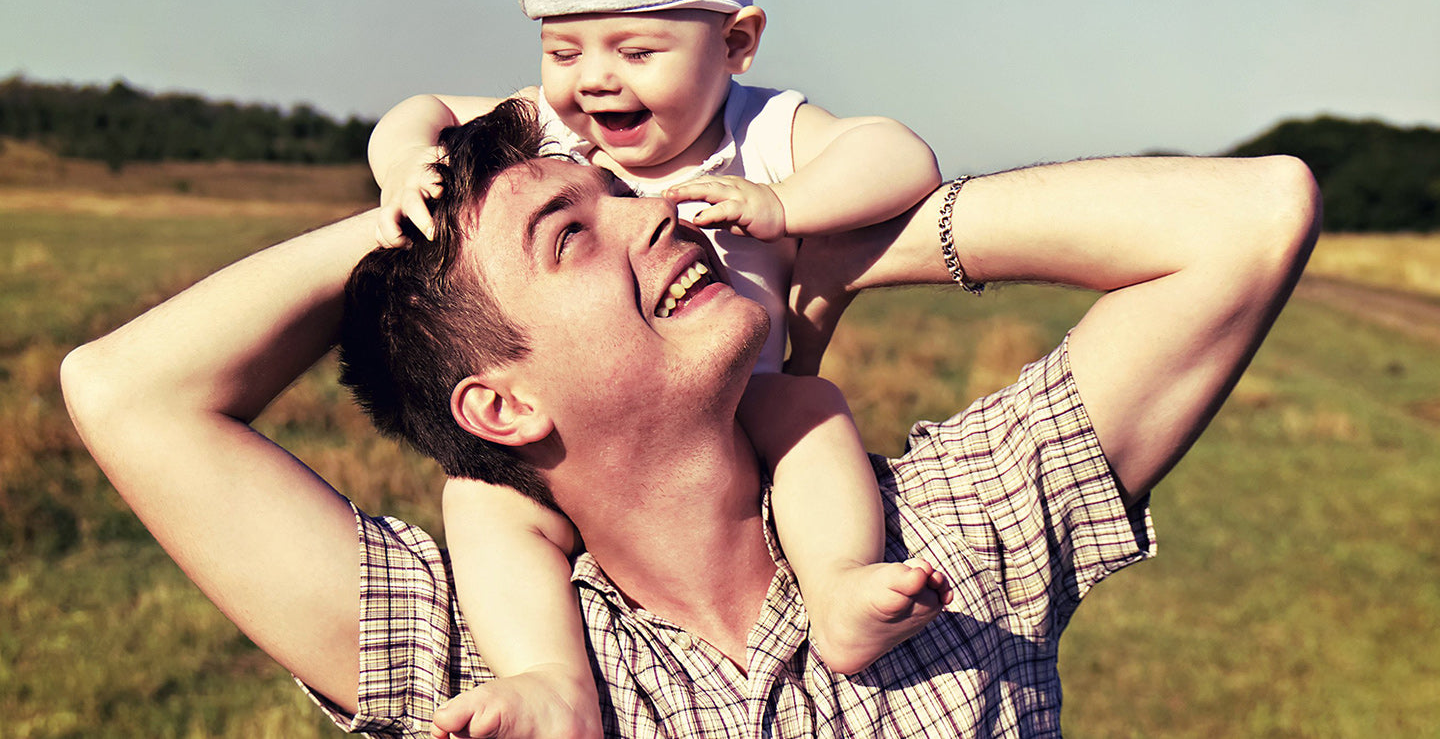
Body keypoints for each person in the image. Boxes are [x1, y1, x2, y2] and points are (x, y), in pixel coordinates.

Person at [61, 97, 1320, 738]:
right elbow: (126, 393)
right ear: (499, 401)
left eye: (618, 189)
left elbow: (1251, 217)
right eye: (573, 231)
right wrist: (407, 219)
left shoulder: (942, 531)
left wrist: (833, 248)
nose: (653, 211)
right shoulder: (494, 662)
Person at [366, 0, 944, 734]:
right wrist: (407, 162)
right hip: (595, 439)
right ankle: (551, 682)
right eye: (565, 49)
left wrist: (784, 202)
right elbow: (421, 111)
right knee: (481, 498)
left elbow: (900, 156)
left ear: (737, 43)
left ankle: (834, 588)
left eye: (636, 49)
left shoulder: (766, 129)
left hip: (742, 401)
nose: (594, 77)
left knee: (809, 409)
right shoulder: (547, 131)